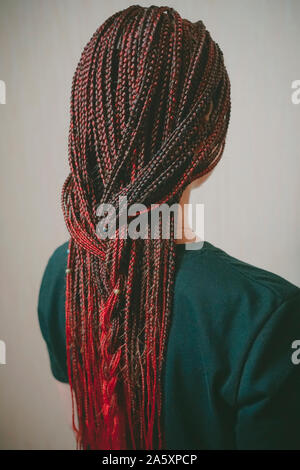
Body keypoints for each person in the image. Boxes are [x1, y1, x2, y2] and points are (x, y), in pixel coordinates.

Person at [37, 5, 300, 450]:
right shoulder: (267, 316)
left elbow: (84, 429)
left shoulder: (64, 272)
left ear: (86, 128)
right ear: (205, 146)